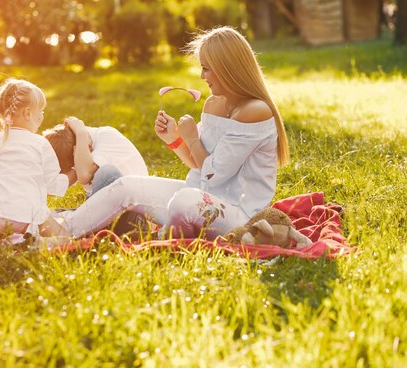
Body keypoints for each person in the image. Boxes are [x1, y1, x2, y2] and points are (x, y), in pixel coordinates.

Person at [61, 26, 289, 240]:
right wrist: (175, 140)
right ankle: (60, 230)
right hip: (198, 195)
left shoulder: (255, 111)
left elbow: (213, 174)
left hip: (239, 215)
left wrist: (191, 137)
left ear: (227, 68)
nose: (202, 76)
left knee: (184, 200)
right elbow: (198, 164)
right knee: (128, 186)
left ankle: (160, 238)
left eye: (206, 68)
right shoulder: (214, 104)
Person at [0, 78, 74, 242]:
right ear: (27, 113)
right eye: (40, 110)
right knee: (66, 238)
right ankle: (30, 243)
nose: (42, 115)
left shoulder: (0, 140)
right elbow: (53, 186)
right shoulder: (40, 143)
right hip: (23, 216)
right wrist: (74, 173)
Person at [43, 119, 148, 196]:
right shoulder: (81, 151)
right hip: (116, 203)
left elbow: (84, 175)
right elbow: (54, 186)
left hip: (133, 205)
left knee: (106, 172)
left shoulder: (106, 136)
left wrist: (80, 132)